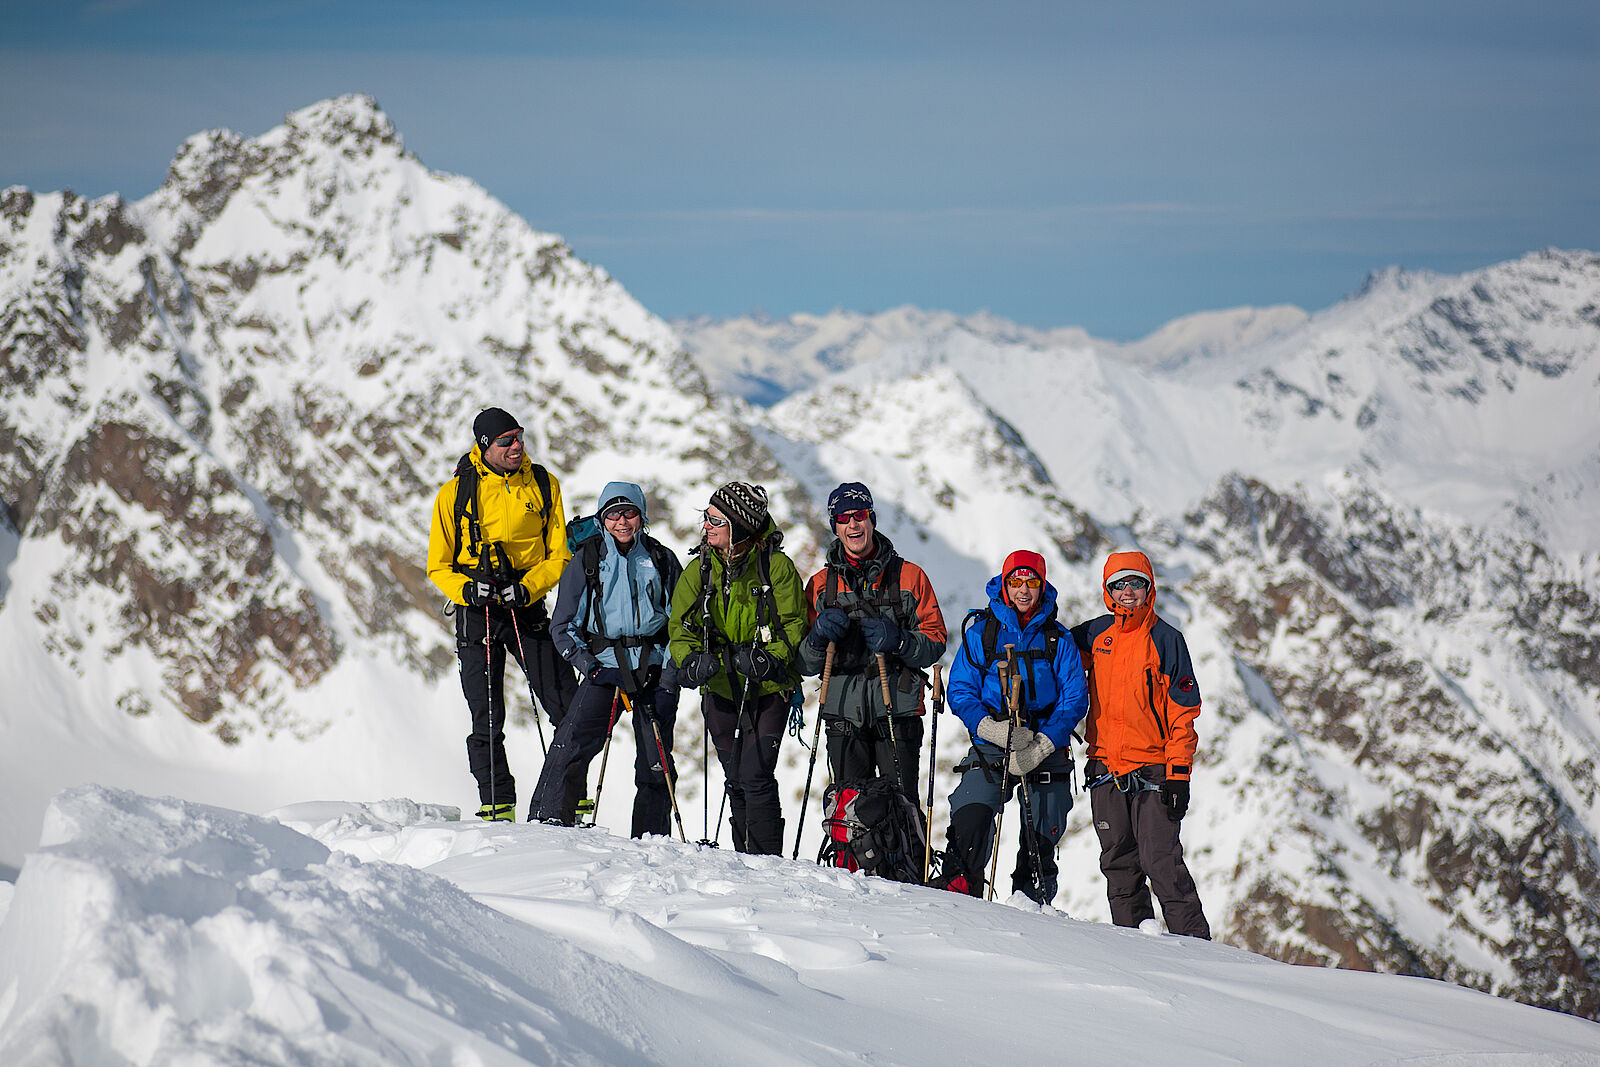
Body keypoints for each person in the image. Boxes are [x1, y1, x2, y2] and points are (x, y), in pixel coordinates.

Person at [427, 407, 578, 822]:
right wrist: (467, 590)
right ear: (484, 446)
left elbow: (558, 554)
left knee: (565, 701)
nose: (517, 446)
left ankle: (570, 794)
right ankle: (497, 803)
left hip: (526, 605)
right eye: (506, 440)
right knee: (486, 712)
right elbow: (438, 565)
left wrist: (528, 587)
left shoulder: (544, 485)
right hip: (477, 612)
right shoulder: (454, 494)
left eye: (520, 437)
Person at [1071, 551, 1211, 938]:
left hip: (1155, 771)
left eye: (1136, 583)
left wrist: (1179, 774)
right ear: (1107, 590)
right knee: (1119, 865)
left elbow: (1183, 712)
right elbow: (1053, 655)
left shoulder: (1166, 640)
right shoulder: (1094, 635)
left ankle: (1201, 953)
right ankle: (1135, 952)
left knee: (1161, 861)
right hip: (1105, 769)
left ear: (1149, 587)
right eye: (1119, 584)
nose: (1128, 592)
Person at [529, 482, 684, 835]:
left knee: (656, 762)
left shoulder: (661, 559)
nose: (622, 522)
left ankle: (651, 838)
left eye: (629, 512)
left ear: (641, 516)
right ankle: (547, 826)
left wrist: (669, 675)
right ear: (602, 518)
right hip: (605, 668)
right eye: (612, 514)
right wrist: (591, 667)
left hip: (654, 669)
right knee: (570, 744)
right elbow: (562, 626)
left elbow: (682, 625)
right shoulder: (587, 559)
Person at [938, 550, 1087, 904]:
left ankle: (1031, 903)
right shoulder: (982, 634)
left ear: (1042, 585)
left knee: (1041, 832)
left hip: (1045, 740)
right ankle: (958, 892)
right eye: (1016, 582)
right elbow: (960, 689)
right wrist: (991, 729)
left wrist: (1042, 747)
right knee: (971, 815)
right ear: (1005, 585)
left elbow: (1073, 699)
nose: (1023, 590)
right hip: (993, 740)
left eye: (1031, 582)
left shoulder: (1058, 639)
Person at [668, 482, 806, 855]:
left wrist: (770, 656)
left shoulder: (776, 568)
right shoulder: (701, 567)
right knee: (735, 776)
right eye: (706, 517)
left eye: (715, 519)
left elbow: (794, 625)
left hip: (770, 687)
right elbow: (679, 626)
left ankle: (766, 862)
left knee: (755, 775)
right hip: (721, 685)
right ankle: (746, 861)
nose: (706, 525)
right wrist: (690, 659)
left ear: (739, 529)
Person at [798, 482, 947, 803]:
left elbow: (935, 641)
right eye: (843, 517)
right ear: (835, 526)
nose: (853, 524)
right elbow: (806, 663)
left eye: (860, 515)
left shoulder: (910, 576)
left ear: (872, 520)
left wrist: (900, 642)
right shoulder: (821, 586)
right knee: (850, 810)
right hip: (842, 713)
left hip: (898, 710)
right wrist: (818, 635)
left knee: (902, 807)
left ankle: (908, 853)